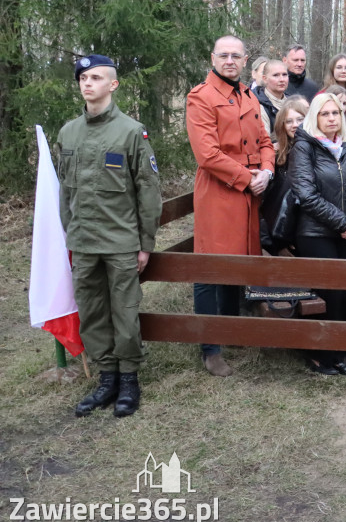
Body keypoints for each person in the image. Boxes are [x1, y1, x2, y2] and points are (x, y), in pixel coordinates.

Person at [57, 54, 162, 418]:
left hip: (120, 242)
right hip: (83, 242)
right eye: (83, 78)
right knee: (92, 312)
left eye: (96, 77)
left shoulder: (132, 131)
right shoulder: (68, 133)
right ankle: (107, 378)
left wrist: (145, 243)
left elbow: (148, 191)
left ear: (113, 85)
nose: (88, 83)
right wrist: (67, 236)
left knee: (125, 312)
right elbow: (65, 193)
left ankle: (129, 378)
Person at [187, 35, 275, 377]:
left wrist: (267, 171)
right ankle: (210, 347)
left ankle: (231, 328)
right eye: (223, 55)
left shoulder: (249, 94)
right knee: (211, 267)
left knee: (237, 263)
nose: (229, 61)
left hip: (250, 191)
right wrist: (246, 177)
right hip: (220, 192)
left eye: (235, 56)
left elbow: (266, 141)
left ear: (245, 60)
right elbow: (206, 154)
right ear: (213, 57)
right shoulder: (201, 96)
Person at [290, 93, 346, 375]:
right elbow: (307, 195)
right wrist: (343, 223)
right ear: (315, 117)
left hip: (345, 233)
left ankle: (336, 354)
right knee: (325, 295)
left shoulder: (343, 146)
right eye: (325, 114)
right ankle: (319, 355)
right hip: (315, 234)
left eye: (336, 113)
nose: (332, 118)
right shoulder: (304, 146)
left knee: (343, 294)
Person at [260, 97, 308, 253]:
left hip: (308, 233)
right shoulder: (274, 156)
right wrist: (276, 245)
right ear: (282, 125)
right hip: (278, 236)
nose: (295, 125)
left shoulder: (317, 152)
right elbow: (265, 203)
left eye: (300, 119)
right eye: (289, 121)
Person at [255, 59, 289, 141]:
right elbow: (264, 142)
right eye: (276, 75)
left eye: (284, 75)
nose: (282, 79)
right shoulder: (258, 105)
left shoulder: (293, 102)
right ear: (265, 79)